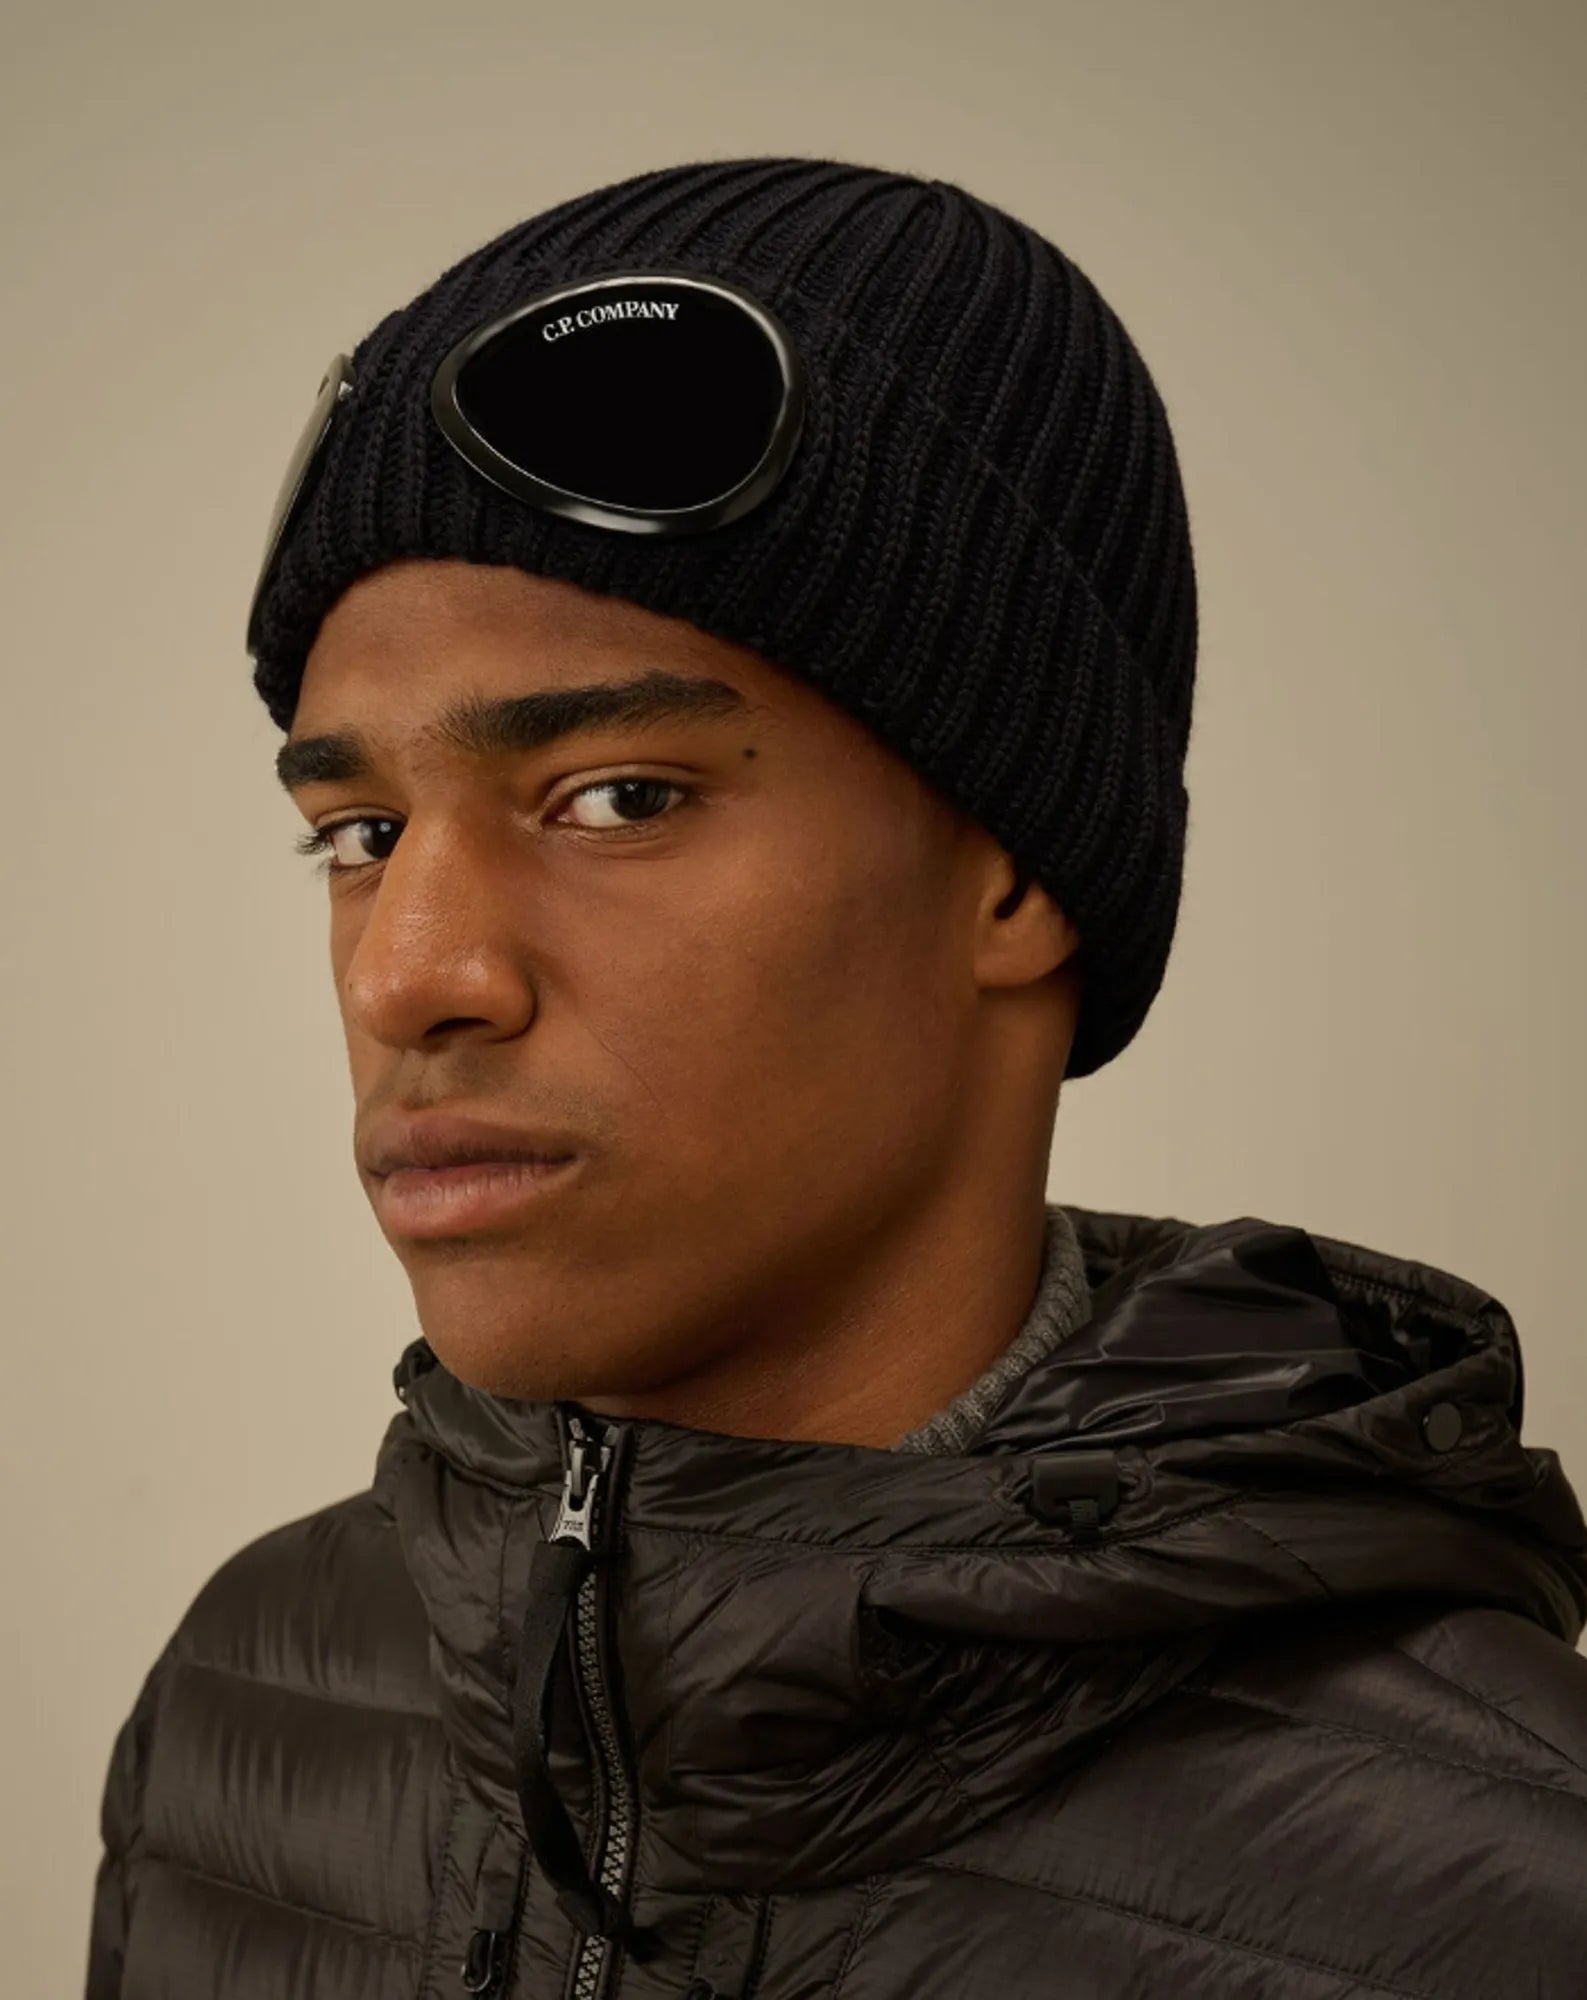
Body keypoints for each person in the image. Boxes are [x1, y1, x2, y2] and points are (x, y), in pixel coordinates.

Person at [86, 155, 1587, 2000]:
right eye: (361, 833)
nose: (408, 972)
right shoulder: (243, 1709)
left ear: (1018, 874)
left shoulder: (1519, 1908)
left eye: (618, 798)